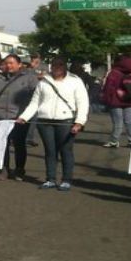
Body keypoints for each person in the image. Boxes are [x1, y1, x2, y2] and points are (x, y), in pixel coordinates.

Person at [19, 58, 89, 191]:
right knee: (50, 151)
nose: (57, 67)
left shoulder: (75, 81)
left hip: (66, 120)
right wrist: (24, 117)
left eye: (60, 65)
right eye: (54, 65)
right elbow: (35, 102)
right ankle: (50, 179)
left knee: (65, 150)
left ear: (65, 66)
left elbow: (83, 103)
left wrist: (79, 122)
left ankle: (66, 180)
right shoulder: (44, 81)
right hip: (45, 121)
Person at [0, 54, 38, 181]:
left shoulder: (30, 78)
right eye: (6, 63)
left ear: (19, 64)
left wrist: (26, 114)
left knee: (19, 144)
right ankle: (3, 169)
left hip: (19, 117)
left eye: (11, 63)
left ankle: (19, 170)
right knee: (2, 145)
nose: (8, 66)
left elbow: (36, 97)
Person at [101, 56, 131, 148]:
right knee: (130, 121)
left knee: (118, 122)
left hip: (116, 101)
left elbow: (108, 88)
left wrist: (106, 100)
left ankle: (114, 141)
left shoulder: (114, 73)